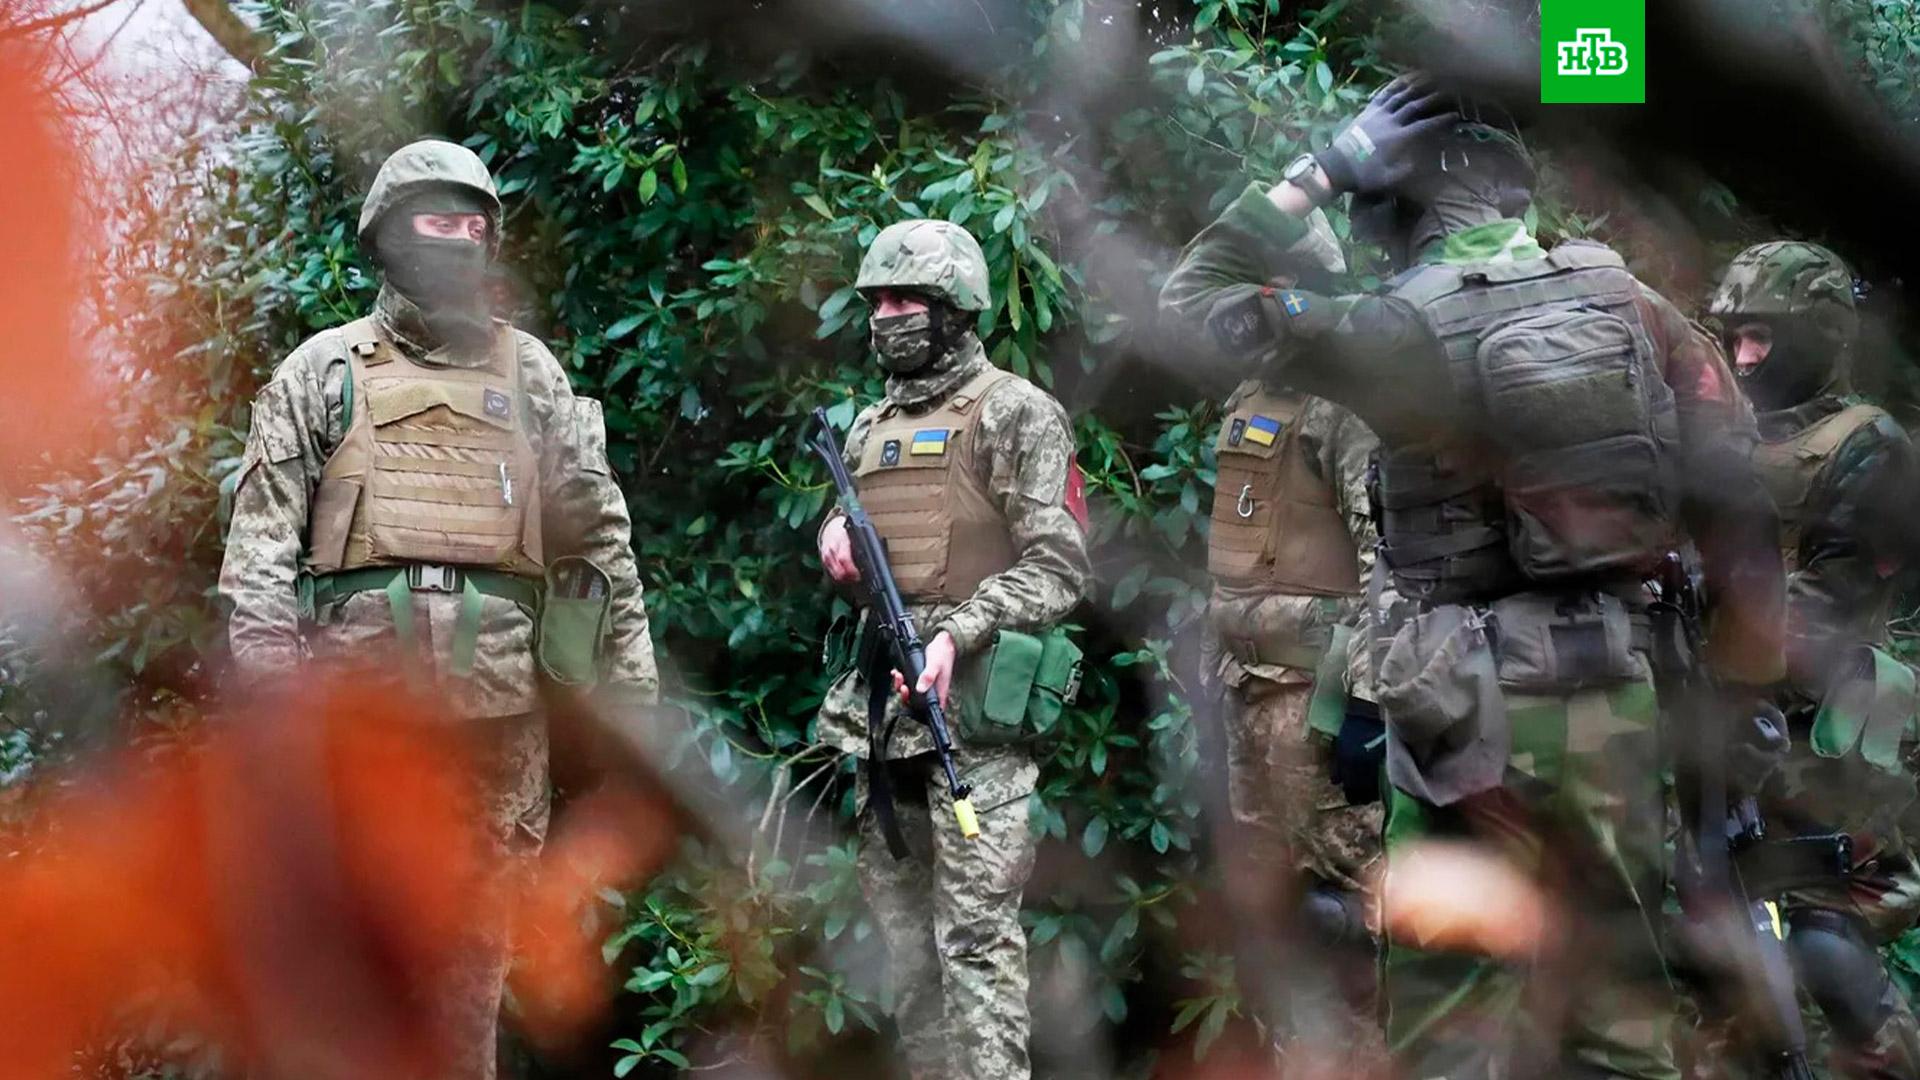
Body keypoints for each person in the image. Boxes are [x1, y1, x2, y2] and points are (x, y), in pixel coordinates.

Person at [1159, 77, 1786, 1079]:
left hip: (1461, 713)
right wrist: (1738, 694)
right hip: (1616, 698)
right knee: (1619, 1016)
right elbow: (1737, 494)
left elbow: (1191, 303)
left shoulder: (1395, 325)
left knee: (1447, 1016)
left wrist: (1322, 168)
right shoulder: (1633, 304)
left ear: (1391, 209)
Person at [220, 138, 658, 1079]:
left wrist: (633, 713)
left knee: (470, 988)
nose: (454, 239)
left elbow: (598, 547)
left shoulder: (531, 375)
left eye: (471, 225)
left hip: (501, 731)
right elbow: (256, 567)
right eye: (433, 220)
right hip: (359, 732)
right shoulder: (322, 372)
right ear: (387, 235)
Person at [813, 218, 1090, 1080]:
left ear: (955, 307)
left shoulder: (1015, 412)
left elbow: (1060, 568)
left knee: (975, 943)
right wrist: (832, 541)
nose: (884, 316)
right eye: (876, 301)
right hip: (885, 721)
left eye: (906, 299)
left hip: (976, 725)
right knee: (907, 955)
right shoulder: (867, 427)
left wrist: (957, 631)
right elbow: (867, 549)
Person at [1708, 240, 1920, 1077]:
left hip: (1820, 736)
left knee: (1829, 945)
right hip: (1715, 717)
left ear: (1817, 333)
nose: (1743, 358)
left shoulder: (1868, 446)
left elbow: (1827, 607)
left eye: (1761, 337)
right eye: (1734, 337)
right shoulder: (1719, 435)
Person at [1195, 205, 1386, 1065]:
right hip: (1247, 703)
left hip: (1319, 715)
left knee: (1345, 927)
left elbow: (1389, 568)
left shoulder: (1348, 409)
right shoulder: (1248, 399)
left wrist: (1365, 711)